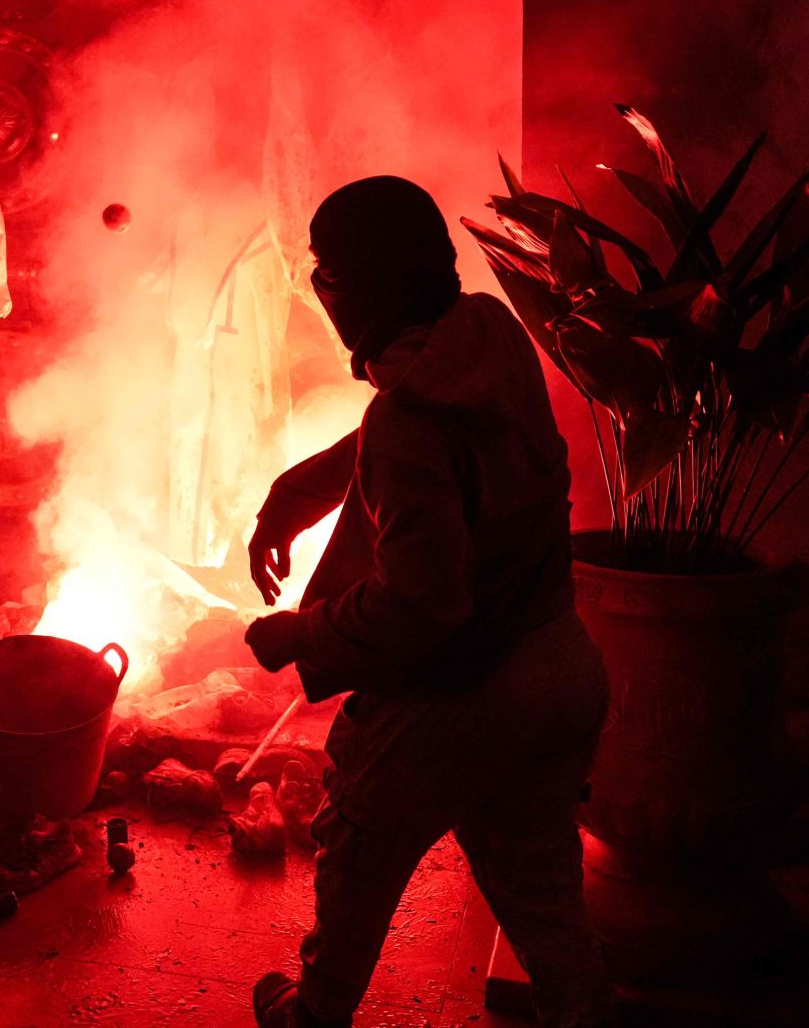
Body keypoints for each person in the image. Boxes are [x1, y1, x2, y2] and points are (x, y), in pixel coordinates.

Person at [243, 176, 616, 1028]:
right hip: (559, 659)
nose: (319, 292)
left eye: (325, 276)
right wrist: (312, 480)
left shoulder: (412, 422)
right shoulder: (491, 334)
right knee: (534, 871)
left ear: (365, 287)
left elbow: (423, 607)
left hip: (465, 693)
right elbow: (417, 414)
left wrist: (299, 630)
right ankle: (587, 1008)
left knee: (356, 844)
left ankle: (316, 1012)